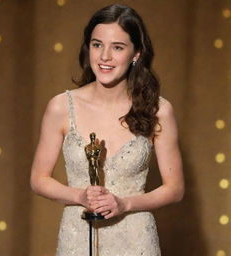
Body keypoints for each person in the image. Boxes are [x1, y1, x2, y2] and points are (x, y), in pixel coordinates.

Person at [30, 4, 184, 256]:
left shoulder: (158, 110)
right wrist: (80, 196)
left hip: (136, 239)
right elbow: (38, 179)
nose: (104, 57)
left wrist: (126, 203)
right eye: (97, 44)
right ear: (87, 47)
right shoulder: (61, 106)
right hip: (78, 236)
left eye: (118, 47)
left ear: (136, 54)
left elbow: (175, 188)